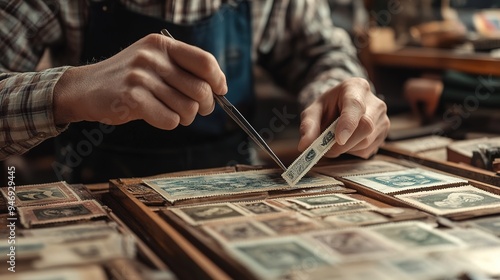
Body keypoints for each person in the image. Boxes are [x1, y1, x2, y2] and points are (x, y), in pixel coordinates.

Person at [1, 0, 390, 183]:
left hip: (241, 189)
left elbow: (323, 53)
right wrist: (68, 90)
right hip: (97, 193)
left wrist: (342, 95)